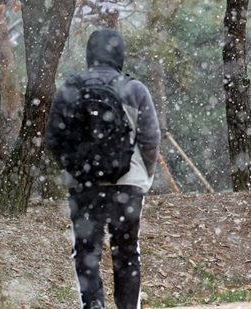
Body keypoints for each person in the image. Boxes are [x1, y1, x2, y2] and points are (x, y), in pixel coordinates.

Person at [45, 28, 161, 309]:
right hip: (128, 182)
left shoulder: (69, 89)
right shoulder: (134, 89)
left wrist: (73, 169)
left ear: (89, 54)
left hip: (84, 184)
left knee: (86, 250)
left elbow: (52, 139)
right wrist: (144, 176)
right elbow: (150, 138)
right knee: (127, 251)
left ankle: (93, 303)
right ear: (119, 54)